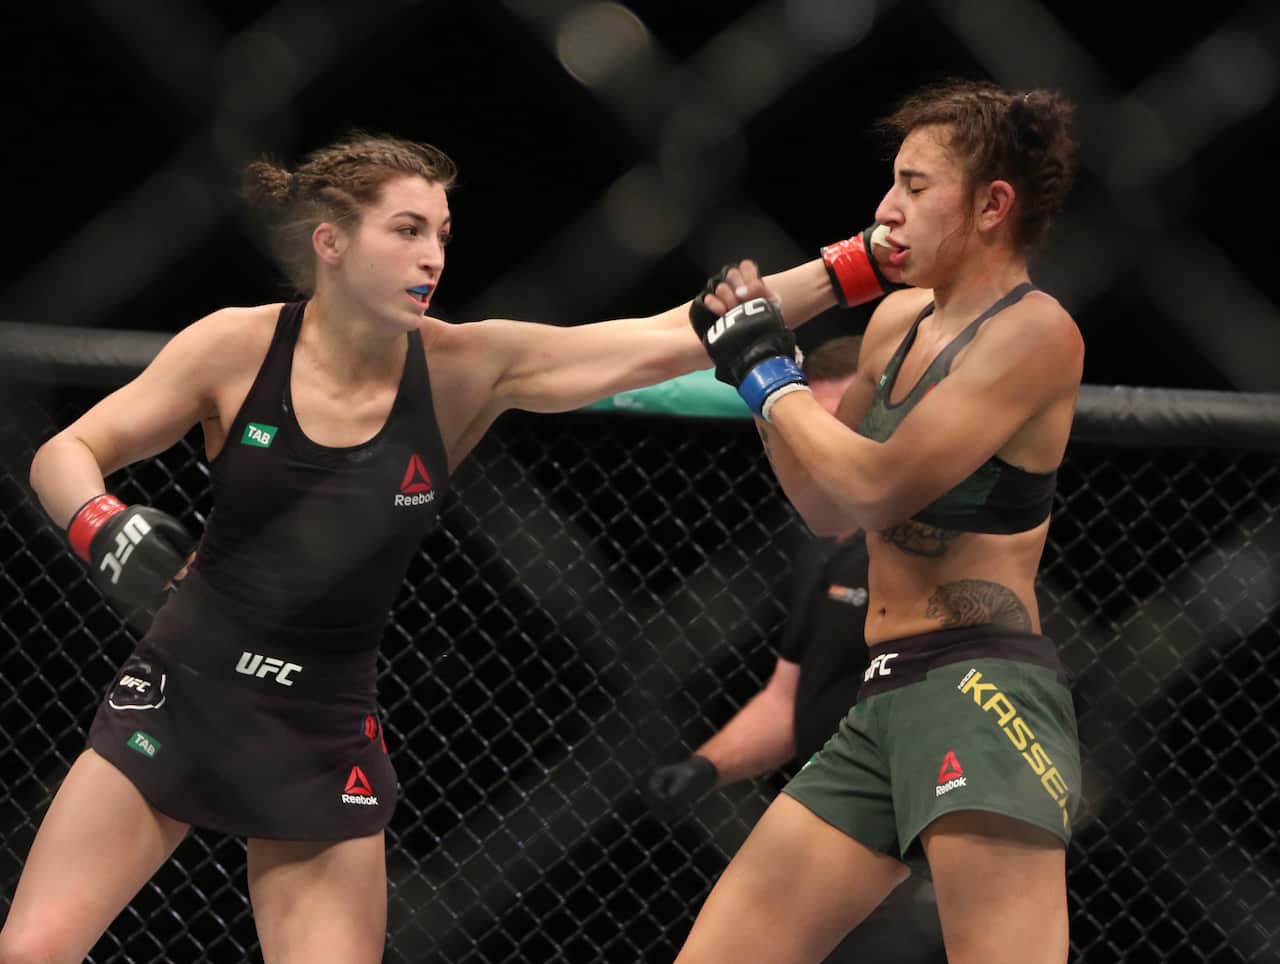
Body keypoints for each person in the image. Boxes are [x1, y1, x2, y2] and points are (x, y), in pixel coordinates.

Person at [0, 131, 901, 964]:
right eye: (405, 229)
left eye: (441, 231)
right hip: (182, 691)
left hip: (318, 729)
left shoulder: (466, 367)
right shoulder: (235, 347)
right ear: (330, 241)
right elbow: (63, 451)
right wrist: (102, 525)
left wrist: (853, 265)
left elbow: (671, 334)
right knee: (33, 951)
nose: (432, 254)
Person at [675, 79, 1083, 964]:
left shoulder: (1034, 333)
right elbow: (824, 504)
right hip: (879, 695)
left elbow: (876, 488)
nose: (885, 210)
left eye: (914, 185)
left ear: (992, 206)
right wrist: (761, 376)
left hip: (981, 690)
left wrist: (771, 376)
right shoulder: (896, 321)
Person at [645, 336, 947, 964]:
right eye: (817, 430)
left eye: (845, 429)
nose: (824, 452)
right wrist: (705, 766)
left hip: (921, 832)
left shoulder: (952, 553)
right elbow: (786, 701)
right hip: (834, 818)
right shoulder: (828, 553)